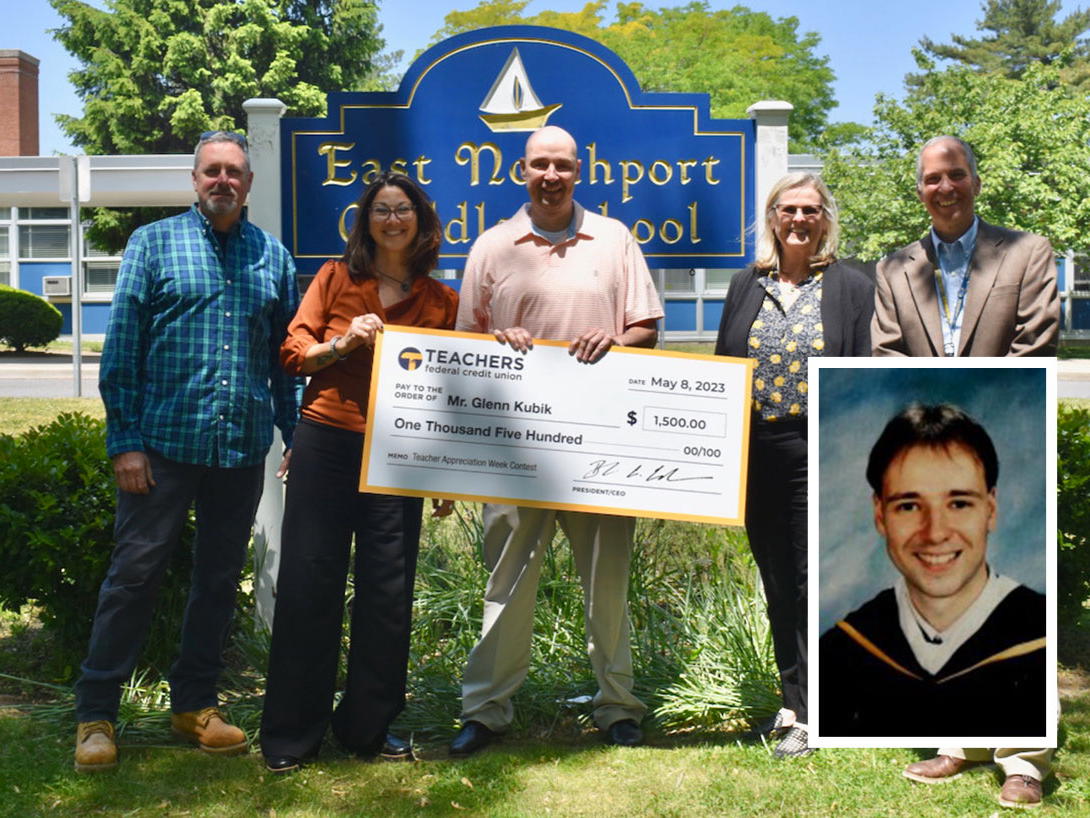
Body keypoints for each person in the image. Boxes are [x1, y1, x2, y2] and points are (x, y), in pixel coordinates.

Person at [73, 131, 302, 772]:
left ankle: (194, 704)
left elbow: (283, 361)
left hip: (239, 449)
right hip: (162, 448)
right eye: (212, 172)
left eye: (234, 172)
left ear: (248, 184)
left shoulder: (272, 258)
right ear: (194, 180)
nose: (223, 181)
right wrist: (125, 442)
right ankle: (97, 714)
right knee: (133, 578)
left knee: (218, 581)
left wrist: (295, 433)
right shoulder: (152, 244)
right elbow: (122, 351)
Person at [447, 125, 662, 755]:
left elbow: (645, 327)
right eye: (539, 164)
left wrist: (615, 341)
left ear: (578, 172)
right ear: (522, 172)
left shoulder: (615, 240)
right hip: (514, 450)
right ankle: (485, 710)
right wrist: (499, 339)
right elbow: (466, 340)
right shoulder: (491, 247)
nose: (551, 175)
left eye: (562, 166)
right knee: (507, 582)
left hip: (600, 446)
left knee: (608, 580)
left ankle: (618, 707)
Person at [259, 173, 458, 773]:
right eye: (381, 210)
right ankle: (292, 734)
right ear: (365, 220)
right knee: (308, 584)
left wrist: (444, 473)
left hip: (400, 455)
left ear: (421, 223)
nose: (392, 219)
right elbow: (295, 355)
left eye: (403, 210)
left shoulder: (441, 301)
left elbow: (450, 392)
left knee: (388, 594)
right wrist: (345, 341)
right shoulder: (334, 278)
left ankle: (368, 728)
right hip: (327, 442)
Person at [714, 172, 874, 758]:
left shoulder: (852, 286)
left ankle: (814, 708)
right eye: (789, 210)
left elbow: (865, 371)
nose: (799, 220)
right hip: (758, 450)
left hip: (820, 446)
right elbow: (723, 366)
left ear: (826, 218)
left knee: (813, 578)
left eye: (811, 209)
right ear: (772, 218)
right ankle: (792, 700)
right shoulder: (745, 283)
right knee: (778, 579)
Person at [819, 404, 1049, 808]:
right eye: (909, 505)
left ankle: (1023, 763)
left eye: (959, 503)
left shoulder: (1030, 621)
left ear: (990, 508)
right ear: (880, 514)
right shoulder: (852, 638)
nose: (935, 532)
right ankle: (960, 746)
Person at [872, 135, 1059, 357]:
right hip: (921, 392)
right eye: (933, 179)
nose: (945, 187)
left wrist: (972, 391)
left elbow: (1034, 345)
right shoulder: (892, 270)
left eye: (956, 175)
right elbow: (887, 352)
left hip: (1005, 391)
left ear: (976, 184)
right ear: (920, 193)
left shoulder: (1029, 253)